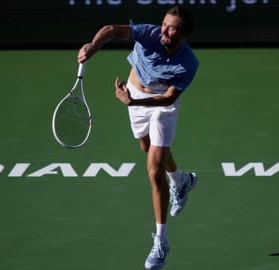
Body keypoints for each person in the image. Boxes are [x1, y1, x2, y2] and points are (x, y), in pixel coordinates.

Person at [78, 6, 199, 270]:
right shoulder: (150, 33)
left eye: (173, 28)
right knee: (146, 147)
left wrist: (132, 102)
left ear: (184, 33)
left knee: (154, 170)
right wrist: (94, 46)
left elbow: (169, 98)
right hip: (134, 95)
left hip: (161, 107)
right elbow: (111, 30)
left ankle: (161, 242)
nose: (165, 31)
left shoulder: (189, 62)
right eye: (165, 24)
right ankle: (182, 180)